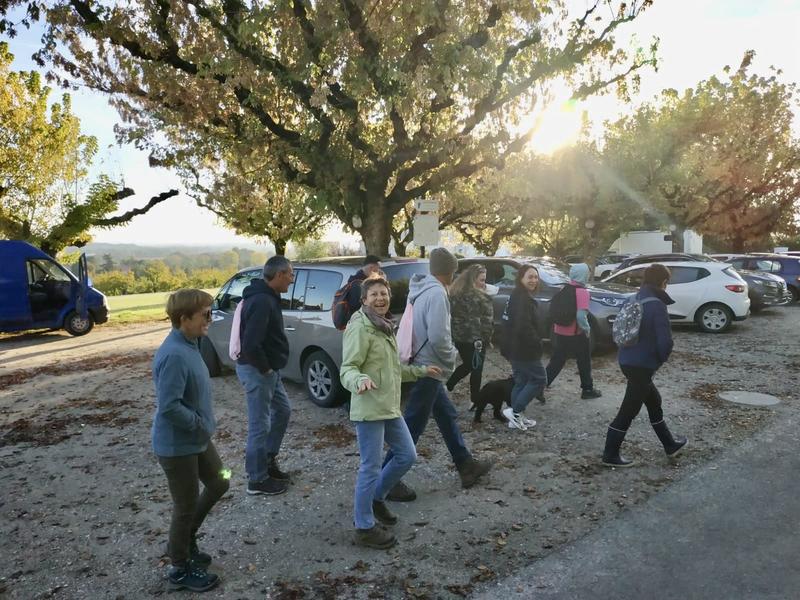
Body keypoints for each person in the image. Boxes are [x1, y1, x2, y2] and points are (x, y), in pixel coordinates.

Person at [340, 276, 441, 549]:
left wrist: (421, 371)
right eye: (373, 295)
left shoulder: (384, 326)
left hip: (389, 406)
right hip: (369, 408)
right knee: (370, 467)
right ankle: (363, 527)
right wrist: (358, 380)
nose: (380, 298)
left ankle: (376, 498)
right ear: (364, 300)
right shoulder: (360, 327)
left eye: (383, 293)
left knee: (407, 456)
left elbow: (393, 371)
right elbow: (347, 368)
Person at [385, 247, 492, 501]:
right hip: (430, 368)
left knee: (446, 416)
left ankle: (466, 465)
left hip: (425, 365)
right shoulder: (436, 294)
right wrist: (451, 358)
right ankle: (388, 479)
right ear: (450, 271)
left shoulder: (422, 289)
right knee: (412, 424)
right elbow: (438, 336)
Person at [152, 289, 230, 592]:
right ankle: (179, 569)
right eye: (205, 315)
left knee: (220, 481)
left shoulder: (191, 342)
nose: (210, 319)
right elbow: (169, 405)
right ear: (184, 319)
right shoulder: (173, 354)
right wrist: (199, 424)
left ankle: (185, 539)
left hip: (196, 440)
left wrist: (201, 427)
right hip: (177, 446)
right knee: (184, 506)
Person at [602, 263, 687, 467]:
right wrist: (658, 361)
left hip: (627, 361)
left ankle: (670, 445)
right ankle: (610, 455)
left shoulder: (634, 298)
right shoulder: (657, 304)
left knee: (654, 401)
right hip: (642, 366)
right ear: (663, 282)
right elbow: (665, 342)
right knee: (628, 411)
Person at [236, 255, 294, 495]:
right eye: (290, 274)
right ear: (279, 275)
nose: (291, 280)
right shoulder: (261, 301)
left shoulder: (268, 297)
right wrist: (266, 368)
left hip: (268, 371)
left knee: (283, 411)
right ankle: (257, 480)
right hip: (257, 370)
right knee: (259, 425)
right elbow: (250, 344)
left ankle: (268, 461)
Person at [545, 263, 603, 399]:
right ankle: (587, 389)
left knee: (557, 360)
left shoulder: (563, 289)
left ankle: (540, 385)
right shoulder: (582, 292)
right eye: (587, 273)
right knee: (584, 361)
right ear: (583, 275)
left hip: (559, 330)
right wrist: (587, 330)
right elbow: (580, 316)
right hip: (576, 333)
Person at [500, 264, 546, 431]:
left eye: (535, 277)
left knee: (521, 381)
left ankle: (516, 419)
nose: (533, 280)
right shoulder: (521, 299)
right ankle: (516, 412)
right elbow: (523, 326)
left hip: (514, 347)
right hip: (523, 349)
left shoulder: (518, 295)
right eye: (530, 277)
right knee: (539, 379)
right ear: (521, 279)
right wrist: (537, 342)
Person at [446, 264, 494, 407]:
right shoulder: (482, 298)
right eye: (482, 280)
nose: (484, 283)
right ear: (473, 280)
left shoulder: (454, 294)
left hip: (460, 338)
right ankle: (475, 399)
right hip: (477, 339)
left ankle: (449, 384)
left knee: (468, 364)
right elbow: (487, 321)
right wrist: (488, 338)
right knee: (476, 368)